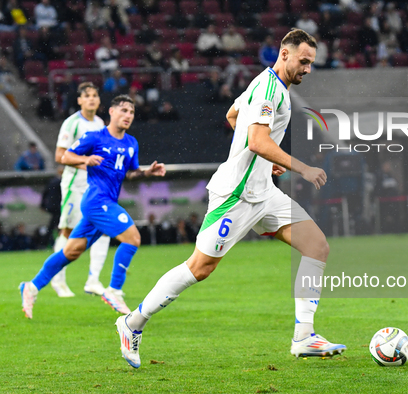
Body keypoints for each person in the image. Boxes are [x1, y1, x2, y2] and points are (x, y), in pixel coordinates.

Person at [114, 29, 346, 369]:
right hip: (235, 195)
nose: (307, 69)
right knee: (199, 268)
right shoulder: (269, 89)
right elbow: (255, 141)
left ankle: (304, 337)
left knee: (317, 246)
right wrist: (301, 168)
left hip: (263, 192)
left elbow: (233, 116)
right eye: (304, 61)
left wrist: (268, 162)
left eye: (311, 63)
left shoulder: (266, 84)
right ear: (284, 54)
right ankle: (132, 322)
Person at [19, 95, 166, 319]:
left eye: (132, 112)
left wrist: (147, 172)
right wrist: (84, 161)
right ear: (112, 112)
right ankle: (114, 290)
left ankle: (31, 287)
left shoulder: (131, 143)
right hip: (97, 201)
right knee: (133, 238)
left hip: (108, 202)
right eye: (124, 110)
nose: (128, 116)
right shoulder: (95, 137)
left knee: (71, 251)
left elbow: (129, 173)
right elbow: (66, 156)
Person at [48, 82, 111, 297]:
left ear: (99, 100)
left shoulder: (101, 123)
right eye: (87, 96)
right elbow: (59, 156)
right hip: (75, 185)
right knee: (68, 231)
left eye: (95, 95)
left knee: (103, 229)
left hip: (96, 186)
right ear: (79, 100)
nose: (92, 99)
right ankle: (58, 280)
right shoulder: (72, 123)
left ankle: (93, 280)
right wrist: (85, 161)